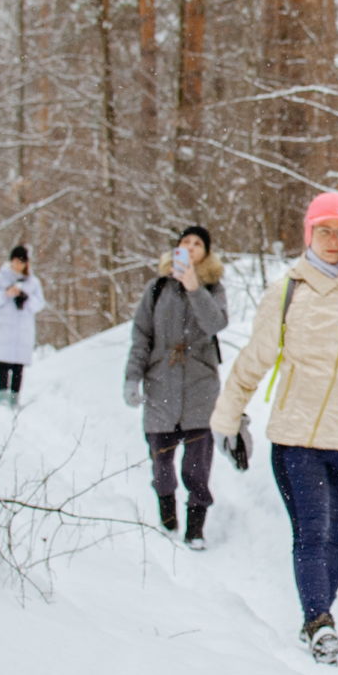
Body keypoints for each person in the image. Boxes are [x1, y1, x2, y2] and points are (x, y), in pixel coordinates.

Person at [212, 192, 338, 663]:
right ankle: (319, 620)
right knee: (311, 532)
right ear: (308, 234)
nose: (332, 240)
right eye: (323, 230)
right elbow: (254, 359)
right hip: (296, 439)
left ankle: (320, 614)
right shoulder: (288, 290)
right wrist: (227, 417)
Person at [125, 225, 231, 550]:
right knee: (161, 463)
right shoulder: (157, 288)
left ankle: (195, 528)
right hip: (161, 386)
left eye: (198, 243)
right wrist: (132, 377)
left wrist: (194, 287)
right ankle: (168, 516)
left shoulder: (212, 288)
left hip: (200, 388)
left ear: (206, 253)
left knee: (196, 468)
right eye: (186, 242)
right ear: (176, 249)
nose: (191, 247)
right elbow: (141, 335)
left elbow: (216, 323)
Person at [0, 245, 44, 409]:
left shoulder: (32, 282)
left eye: (21, 262)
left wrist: (26, 299)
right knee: (4, 364)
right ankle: (2, 397)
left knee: (18, 365)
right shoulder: (0, 278)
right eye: (15, 262)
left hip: (22, 329)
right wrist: (6, 294)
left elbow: (39, 304)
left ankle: (15, 399)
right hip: (4, 327)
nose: (18, 265)